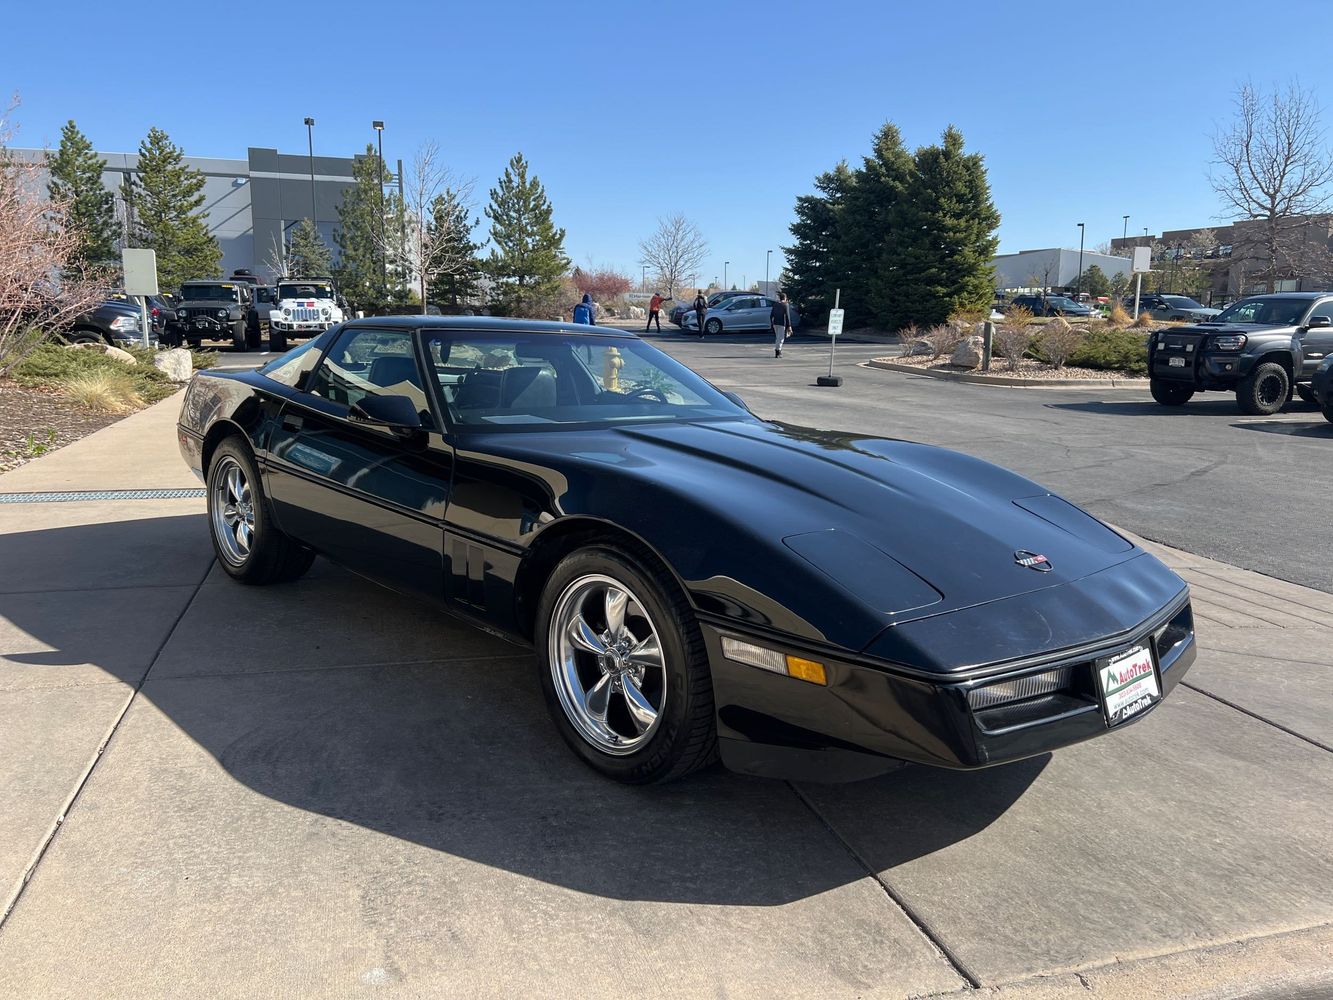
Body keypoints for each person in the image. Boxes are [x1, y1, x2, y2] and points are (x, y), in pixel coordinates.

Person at [770, 292, 792, 357]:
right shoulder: (785, 305)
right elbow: (787, 316)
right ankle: (778, 351)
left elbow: (771, 315)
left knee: (777, 338)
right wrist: (789, 325)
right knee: (781, 338)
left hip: (775, 323)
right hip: (782, 323)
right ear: (785, 298)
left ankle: (777, 351)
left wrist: (772, 323)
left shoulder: (775, 304)